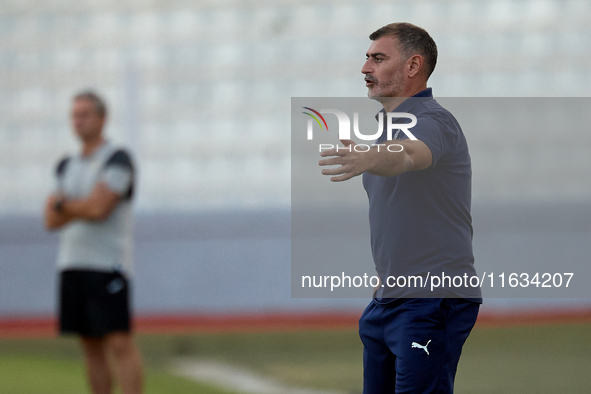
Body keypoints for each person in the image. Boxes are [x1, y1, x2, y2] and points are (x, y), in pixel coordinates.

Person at [318, 23, 481, 393]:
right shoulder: (386, 130)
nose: (365, 68)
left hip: (431, 300)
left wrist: (371, 156)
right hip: (389, 300)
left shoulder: (433, 122)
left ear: (412, 66)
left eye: (378, 58)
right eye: (366, 58)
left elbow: (409, 155)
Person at [44, 91, 143, 394]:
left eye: (85, 114)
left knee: (118, 340)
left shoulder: (117, 159)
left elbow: (100, 209)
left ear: (102, 118)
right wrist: (78, 206)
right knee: (89, 344)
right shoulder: (66, 165)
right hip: (73, 262)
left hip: (107, 263)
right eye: (75, 115)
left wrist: (66, 206)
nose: (79, 121)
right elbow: (50, 219)